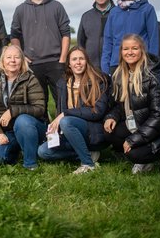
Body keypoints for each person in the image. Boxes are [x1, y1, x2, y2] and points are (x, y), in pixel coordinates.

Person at [103, 34, 160, 176]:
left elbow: (159, 116)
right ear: (121, 52)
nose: (130, 52)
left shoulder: (153, 76)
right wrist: (112, 117)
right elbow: (120, 105)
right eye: (126, 49)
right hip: (141, 125)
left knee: (134, 154)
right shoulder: (120, 75)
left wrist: (134, 139)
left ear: (142, 51)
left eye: (135, 48)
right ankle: (146, 160)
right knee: (109, 132)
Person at [38, 46, 110, 174]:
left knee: (66, 121)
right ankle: (87, 153)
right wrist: (54, 131)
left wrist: (64, 114)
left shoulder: (98, 80)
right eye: (74, 59)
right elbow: (60, 110)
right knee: (43, 151)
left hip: (92, 130)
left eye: (81, 59)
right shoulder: (62, 83)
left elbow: (97, 112)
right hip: (70, 131)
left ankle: (87, 164)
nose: (78, 62)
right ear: (69, 64)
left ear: (86, 61)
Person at [10, 0, 71, 114]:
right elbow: (14, 35)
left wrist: (62, 59)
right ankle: (43, 133)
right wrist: (21, 56)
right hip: (33, 64)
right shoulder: (20, 10)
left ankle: (62, 133)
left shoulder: (57, 6)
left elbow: (66, 34)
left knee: (62, 101)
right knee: (38, 104)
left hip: (56, 62)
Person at [0, 45, 46, 170]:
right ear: (3, 61)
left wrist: (13, 111)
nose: (12, 60)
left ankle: (30, 163)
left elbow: (40, 108)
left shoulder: (30, 79)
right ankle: (18, 149)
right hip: (6, 130)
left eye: (16, 57)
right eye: (9, 57)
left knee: (23, 121)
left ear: (22, 60)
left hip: (29, 126)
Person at [101, 0, 159, 75]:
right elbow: (108, 41)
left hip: (140, 65)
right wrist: (105, 69)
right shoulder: (114, 12)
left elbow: (153, 39)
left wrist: (151, 66)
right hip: (116, 65)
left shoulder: (147, 9)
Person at [77, 0, 115, 69]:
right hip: (92, 67)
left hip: (114, 67)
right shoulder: (86, 16)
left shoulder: (118, 14)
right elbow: (80, 43)